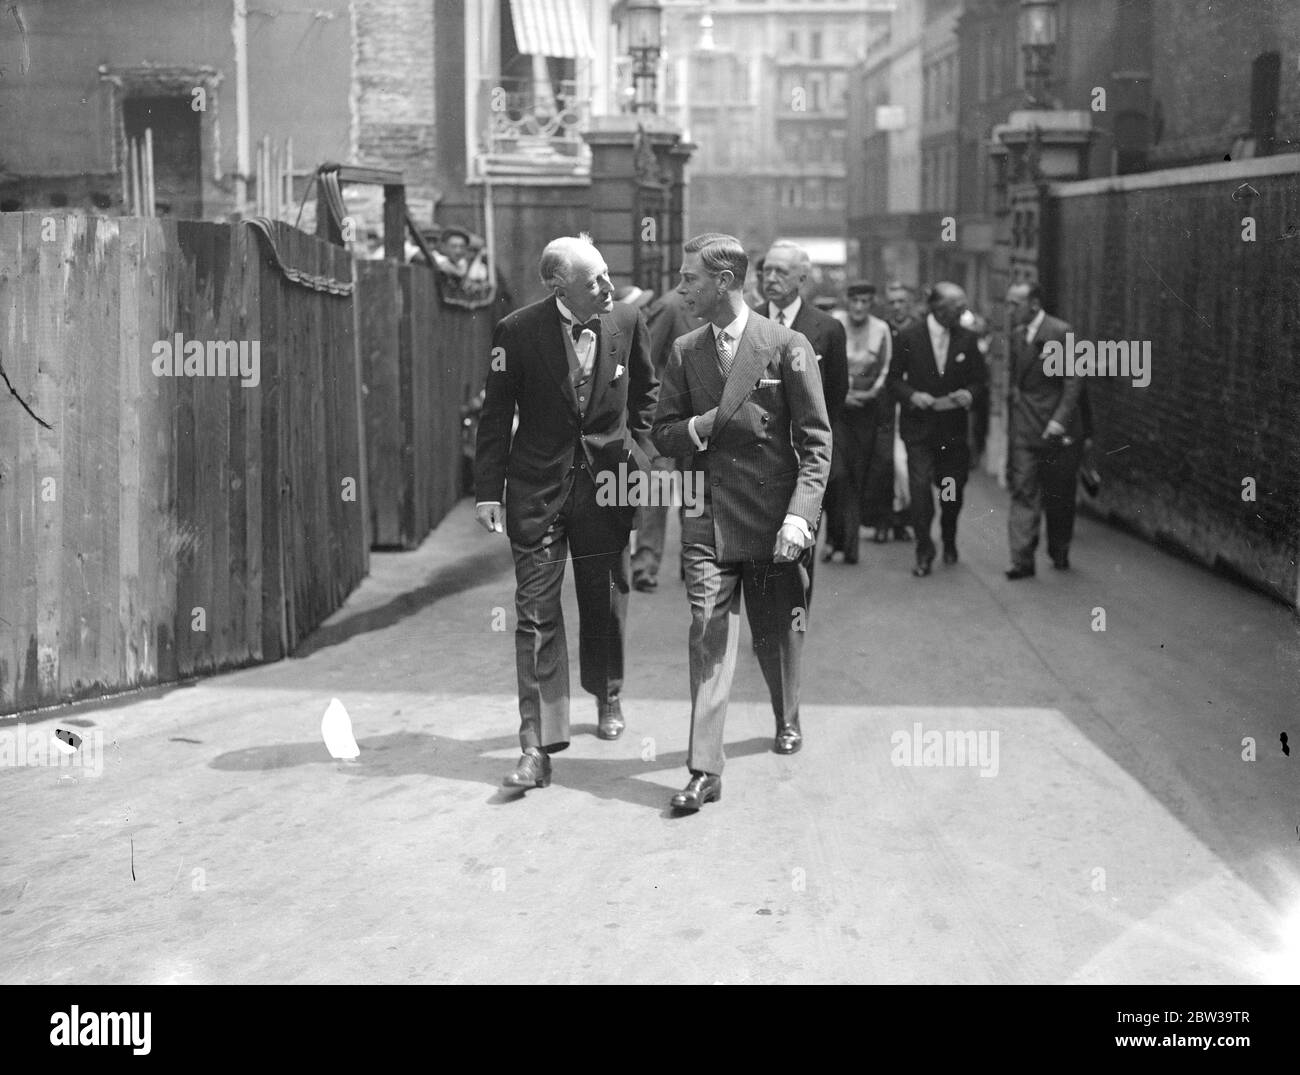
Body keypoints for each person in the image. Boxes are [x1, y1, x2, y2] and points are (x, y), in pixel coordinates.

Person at [652, 233, 831, 812]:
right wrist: (700, 428)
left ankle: (787, 712)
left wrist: (801, 519)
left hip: (772, 520)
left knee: (774, 635)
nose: (683, 288)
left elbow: (816, 441)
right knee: (707, 633)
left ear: (724, 282)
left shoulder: (786, 345)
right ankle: (704, 769)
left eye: (691, 279)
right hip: (706, 517)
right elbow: (663, 432)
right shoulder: (684, 350)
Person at [474, 234, 658, 791]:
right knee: (534, 616)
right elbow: (495, 414)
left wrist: (641, 460)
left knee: (603, 601)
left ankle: (607, 693)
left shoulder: (627, 321)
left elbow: (647, 397)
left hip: (608, 488)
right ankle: (537, 745)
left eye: (606, 275)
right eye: (593, 281)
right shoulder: (517, 332)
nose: (606, 287)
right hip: (537, 492)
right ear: (559, 288)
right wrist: (489, 491)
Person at [757, 241, 847, 591]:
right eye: (767, 271)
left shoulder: (827, 328)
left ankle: (793, 626)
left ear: (802, 278)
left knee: (800, 542)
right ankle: (770, 628)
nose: (772, 278)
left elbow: (836, 394)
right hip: (759, 452)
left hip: (805, 455)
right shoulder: (748, 320)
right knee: (762, 547)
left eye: (782, 272)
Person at [887, 282, 987, 577]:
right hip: (918, 430)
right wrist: (912, 396)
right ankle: (924, 550)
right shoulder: (909, 336)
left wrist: (969, 394)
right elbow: (893, 380)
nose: (963, 312)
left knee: (951, 493)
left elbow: (980, 381)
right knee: (919, 492)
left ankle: (949, 536)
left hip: (953, 433)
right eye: (958, 308)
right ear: (938, 309)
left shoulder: (967, 339)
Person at [1004, 281, 1084, 579]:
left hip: (1055, 428)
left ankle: (1059, 548)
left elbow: (1073, 380)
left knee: (1059, 493)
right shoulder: (1015, 336)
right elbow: (1017, 382)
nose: (1009, 310)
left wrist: (1059, 419)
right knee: (1023, 490)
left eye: (1015, 304)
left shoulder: (1060, 332)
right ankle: (1021, 560)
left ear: (1034, 304)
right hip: (1025, 427)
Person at [630, 288, 705, 592]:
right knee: (657, 489)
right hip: (664, 416)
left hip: (699, 418)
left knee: (694, 488)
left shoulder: (716, 310)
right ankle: (645, 566)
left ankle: (694, 563)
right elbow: (644, 358)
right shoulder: (671, 307)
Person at [824, 281, 892, 564]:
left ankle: (849, 545)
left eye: (865, 301)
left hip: (865, 412)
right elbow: (824, 365)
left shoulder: (881, 329)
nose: (859, 307)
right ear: (847, 301)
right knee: (834, 475)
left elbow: (885, 369)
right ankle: (831, 537)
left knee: (856, 476)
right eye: (855, 301)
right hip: (837, 411)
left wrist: (870, 393)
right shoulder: (834, 324)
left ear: (872, 302)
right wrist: (842, 395)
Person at [882, 281, 920, 542]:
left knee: (906, 466)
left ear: (911, 303)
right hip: (885, 405)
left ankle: (907, 518)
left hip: (911, 406)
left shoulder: (920, 330)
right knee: (887, 464)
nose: (897, 306)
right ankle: (890, 519)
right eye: (892, 301)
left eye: (902, 301)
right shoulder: (883, 329)